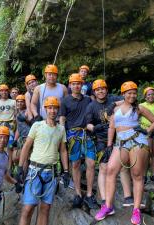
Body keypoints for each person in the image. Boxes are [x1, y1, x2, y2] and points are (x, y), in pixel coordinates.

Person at [95, 81, 154, 225]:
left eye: (134, 93)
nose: (132, 95)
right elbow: (112, 127)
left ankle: (136, 209)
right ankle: (108, 206)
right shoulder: (115, 108)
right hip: (121, 143)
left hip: (137, 141)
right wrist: (109, 146)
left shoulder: (139, 108)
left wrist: (147, 131)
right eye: (129, 93)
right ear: (123, 94)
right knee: (111, 170)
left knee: (137, 174)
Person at [17, 96, 70, 225]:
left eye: (55, 108)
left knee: (45, 208)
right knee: (28, 208)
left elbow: (63, 151)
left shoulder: (61, 129)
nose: (52, 111)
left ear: (58, 110)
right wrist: (19, 167)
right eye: (50, 108)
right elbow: (26, 146)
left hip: (51, 173)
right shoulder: (37, 125)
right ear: (45, 109)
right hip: (35, 171)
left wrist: (66, 170)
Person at [59, 73, 96, 209]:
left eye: (78, 83)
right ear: (70, 85)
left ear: (82, 85)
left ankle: (90, 194)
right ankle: (78, 193)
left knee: (91, 163)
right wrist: (62, 135)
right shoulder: (65, 101)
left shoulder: (87, 100)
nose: (76, 86)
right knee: (75, 164)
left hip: (86, 133)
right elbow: (62, 119)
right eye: (74, 83)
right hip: (72, 135)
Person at [85, 79, 122, 206]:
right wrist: (95, 128)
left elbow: (128, 99)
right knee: (103, 167)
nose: (100, 91)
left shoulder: (112, 100)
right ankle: (105, 199)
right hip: (101, 139)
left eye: (103, 89)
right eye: (97, 89)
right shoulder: (91, 106)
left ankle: (115, 194)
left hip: (116, 138)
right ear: (94, 92)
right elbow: (87, 124)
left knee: (118, 167)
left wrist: (115, 104)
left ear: (106, 90)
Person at [9, 94, 31, 169]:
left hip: (28, 137)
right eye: (18, 102)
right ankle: (19, 172)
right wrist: (15, 140)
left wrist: (25, 119)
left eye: (22, 102)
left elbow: (31, 122)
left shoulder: (28, 111)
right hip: (21, 137)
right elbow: (19, 127)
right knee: (15, 157)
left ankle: (23, 177)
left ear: (25, 103)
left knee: (24, 157)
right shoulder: (17, 113)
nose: (19, 103)